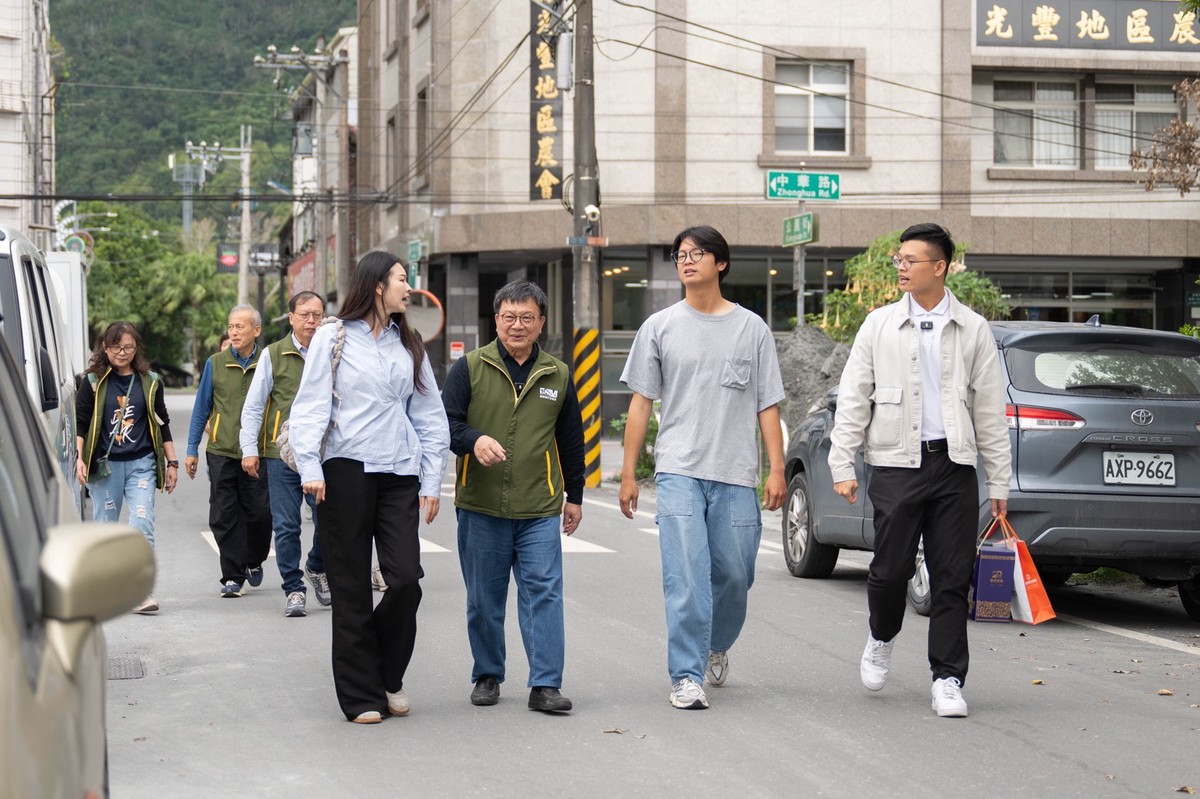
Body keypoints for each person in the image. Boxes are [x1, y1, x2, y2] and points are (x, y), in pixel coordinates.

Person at [827, 222, 1011, 718]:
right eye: (899, 260)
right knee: (889, 573)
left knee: (953, 577)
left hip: (953, 466)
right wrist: (841, 462)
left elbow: (990, 411)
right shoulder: (878, 324)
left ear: (940, 267)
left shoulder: (973, 328)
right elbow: (852, 399)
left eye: (911, 260)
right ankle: (881, 636)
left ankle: (948, 677)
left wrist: (998, 480)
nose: (902, 267)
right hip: (895, 463)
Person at [619, 225, 786, 710]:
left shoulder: (751, 329)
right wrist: (629, 474)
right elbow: (640, 404)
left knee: (735, 576)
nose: (687, 260)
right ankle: (686, 675)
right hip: (677, 470)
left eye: (697, 253)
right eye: (680, 254)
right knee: (687, 576)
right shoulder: (659, 326)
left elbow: (767, 405)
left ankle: (717, 644)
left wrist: (776, 468)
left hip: (735, 473)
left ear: (721, 263)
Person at [290, 251, 449, 724]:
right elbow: (311, 405)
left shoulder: (409, 341)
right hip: (344, 471)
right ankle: (361, 695)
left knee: (404, 581)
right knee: (351, 584)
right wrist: (310, 468)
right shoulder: (333, 337)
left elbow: (429, 414)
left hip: (399, 471)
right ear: (378, 285)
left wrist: (432, 478)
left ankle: (388, 673)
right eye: (403, 279)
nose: (409, 287)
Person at [442, 280, 584, 714]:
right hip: (481, 504)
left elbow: (571, 440)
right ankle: (487, 674)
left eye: (526, 318)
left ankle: (545, 683)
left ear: (541, 322)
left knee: (544, 592)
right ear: (496, 319)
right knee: (484, 597)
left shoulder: (557, 374)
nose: (517, 326)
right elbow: (445, 425)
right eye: (509, 317)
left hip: (538, 506)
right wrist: (473, 439)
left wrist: (574, 496)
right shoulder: (468, 367)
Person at [75, 321, 179, 614]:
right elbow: (82, 421)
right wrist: (79, 458)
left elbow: (162, 422)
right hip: (104, 467)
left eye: (129, 347)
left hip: (141, 464)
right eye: (116, 347)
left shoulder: (150, 381)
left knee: (142, 524)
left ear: (137, 349)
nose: (123, 352)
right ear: (105, 348)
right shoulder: (92, 382)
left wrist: (172, 463)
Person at [240, 291, 332, 618]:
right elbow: (253, 406)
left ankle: (317, 566)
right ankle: (293, 588)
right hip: (282, 456)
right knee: (287, 525)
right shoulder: (273, 355)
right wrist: (249, 448)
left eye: (317, 315)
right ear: (291, 318)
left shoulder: (333, 351)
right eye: (305, 314)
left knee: (329, 520)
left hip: (323, 454)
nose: (312, 321)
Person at [185, 305, 273, 598]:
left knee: (259, 513)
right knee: (223, 515)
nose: (234, 332)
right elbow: (201, 408)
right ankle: (233, 576)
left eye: (240, 327)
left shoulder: (268, 361)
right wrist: (192, 449)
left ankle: (254, 559)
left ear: (256, 331)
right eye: (231, 326)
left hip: (259, 451)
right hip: (221, 449)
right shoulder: (215, 362)